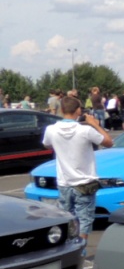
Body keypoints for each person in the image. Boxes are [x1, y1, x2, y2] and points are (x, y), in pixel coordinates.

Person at [41, 96, 114, 244]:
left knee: (67, 216)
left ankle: (67, 245)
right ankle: (81, 248)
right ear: (78, 111)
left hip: (65, 181)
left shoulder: (51, 130)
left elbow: (47, 145)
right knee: (84, 218)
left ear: (62, 110)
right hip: (84, 182)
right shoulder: (85, 130)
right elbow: (108, 142)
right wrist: (96, 125)